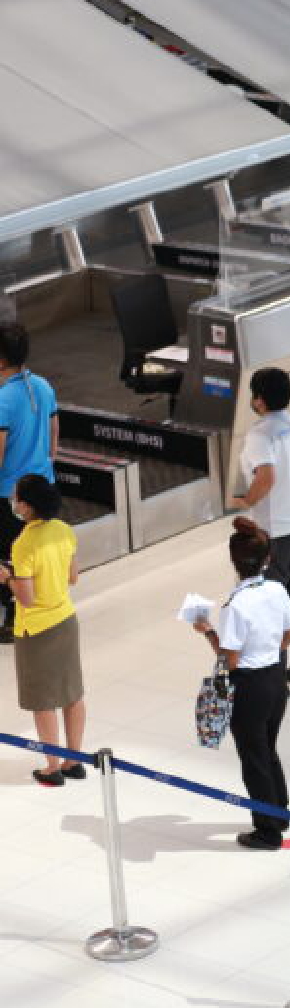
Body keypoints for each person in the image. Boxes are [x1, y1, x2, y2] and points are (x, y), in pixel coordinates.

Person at [190, 520, 290, 848]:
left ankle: (267, 830)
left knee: (252, 757)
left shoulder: (236, 606)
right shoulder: (277, 590)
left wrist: (208, 632)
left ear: (234, 562)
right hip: (276, 680)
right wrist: (267, 649)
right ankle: (280, 811)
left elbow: (230, 660)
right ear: (267, 559)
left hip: (249, 686)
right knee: (268, 746)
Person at [228, 367, 290, 690]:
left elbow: (265, 478)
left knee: (270, 608)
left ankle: (275, 679)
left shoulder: (260, 435)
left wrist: (243, 501)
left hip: (274, 533)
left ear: (259, 400)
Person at [6, 476, 82, 787]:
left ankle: (52, 768)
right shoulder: (64, 530)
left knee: (43, 700)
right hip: (65, 619)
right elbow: (73, 577)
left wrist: (6, 578)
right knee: (72, 694)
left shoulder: (24, 542)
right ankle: (73, 760)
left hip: (36, 629)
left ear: (26, 505)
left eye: (17, 498)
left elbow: (26, 597)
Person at [0, 323, 58, 644]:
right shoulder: (44, 387)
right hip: (40, 485)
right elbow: (54, 440)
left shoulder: (3, 399)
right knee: (32, 549)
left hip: (8, 492)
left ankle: (12, 615)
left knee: (9, 555)